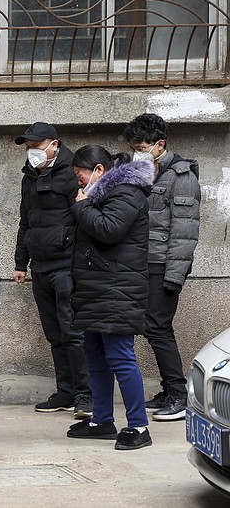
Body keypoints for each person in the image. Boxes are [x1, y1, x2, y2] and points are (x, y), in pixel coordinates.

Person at [67, 145, 154, 450]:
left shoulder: (127, 192)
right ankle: (102, 420)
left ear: (99, 171)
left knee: (120, 357)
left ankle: (139, 426)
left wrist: (81, 206)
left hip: (118, 289)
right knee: (95, 355)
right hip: (98, 288)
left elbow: (109, 230)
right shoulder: (103, 195)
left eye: (81, 176)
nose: (79, 183)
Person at [124, 113, 200, 421]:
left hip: (164, 266)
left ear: (160, 144)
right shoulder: (145, 171)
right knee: (151, 327)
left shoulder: (181, 177)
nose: (137, 151)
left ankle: (179, 395)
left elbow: (185, 231)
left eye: (141, 146)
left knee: (158, 328)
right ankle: (169, 390)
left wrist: (174, 276)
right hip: (144, 262)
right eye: (134, 146)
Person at [13, 122, 92, 419]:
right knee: (54, 334)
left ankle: (87, 395)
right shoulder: (29, 177)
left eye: (37, 144)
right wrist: (21, 263)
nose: (31, 150)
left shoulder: (73, 173)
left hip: (67, 266)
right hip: (40, 266)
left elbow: (84, 216)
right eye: (28, 146)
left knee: (73, 332)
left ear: (55, 144)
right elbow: (26, 221)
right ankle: (66, 391)